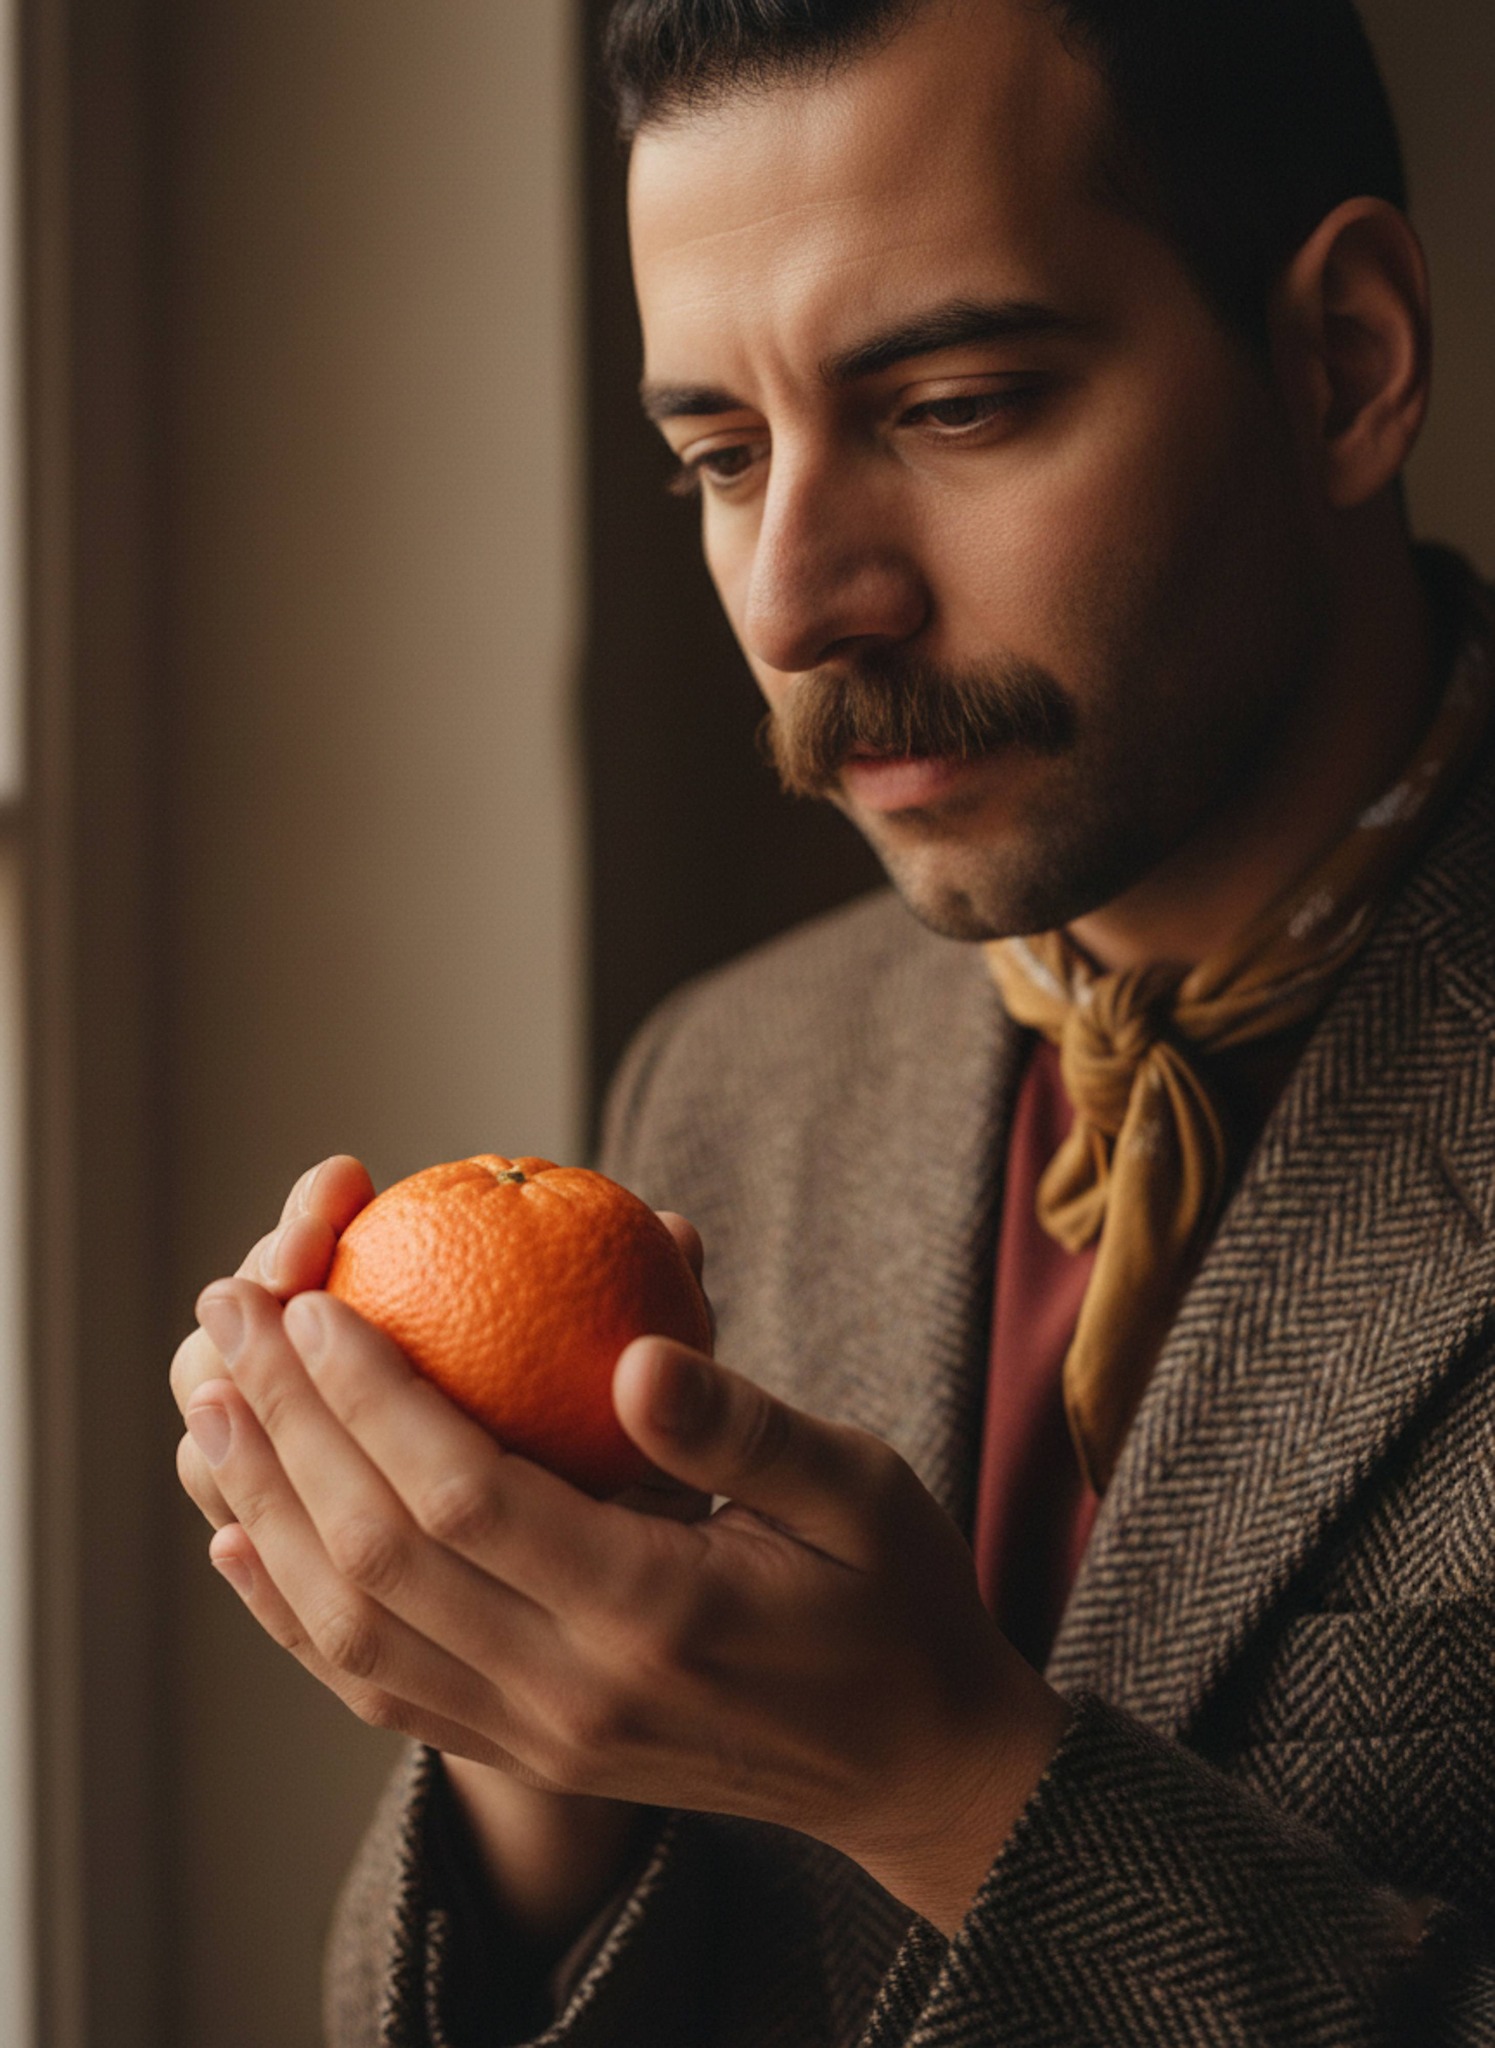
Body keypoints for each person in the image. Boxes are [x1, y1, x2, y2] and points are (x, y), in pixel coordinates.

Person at [170, 0, 1495, 2041]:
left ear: (1345, 363)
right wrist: (531, 1725)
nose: (791, 600)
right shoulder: (724, 1076)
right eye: (717, 451)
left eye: (955, 405)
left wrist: (956, 1791)